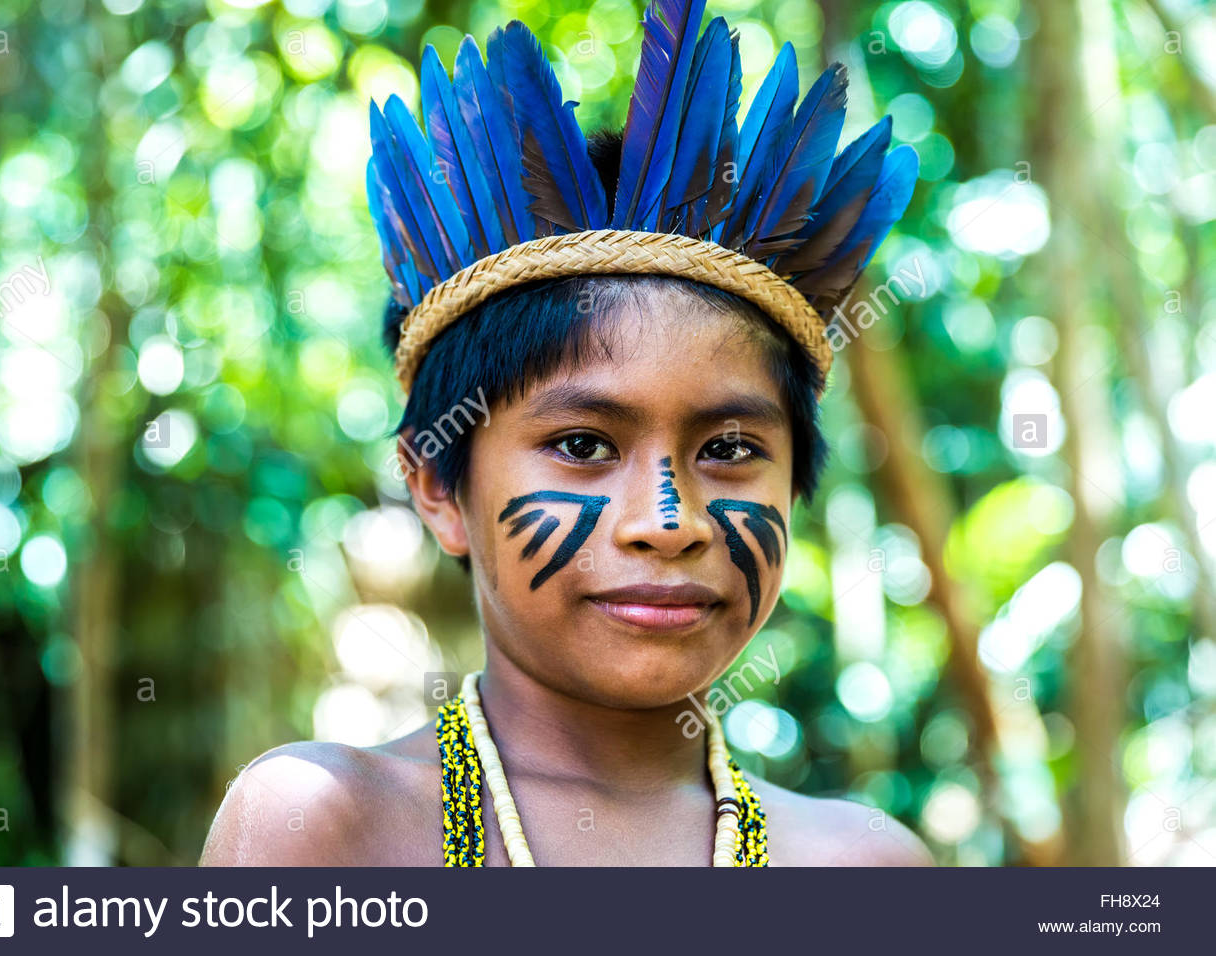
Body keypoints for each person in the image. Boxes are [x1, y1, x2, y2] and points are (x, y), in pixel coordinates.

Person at [201, 0, 931, 867]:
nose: (668, 521)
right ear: (439, 487)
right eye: (583, 446)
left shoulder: (866, 866)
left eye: (729, 450)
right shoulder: (324, 826)